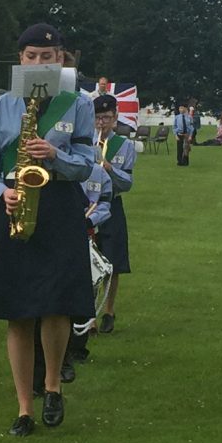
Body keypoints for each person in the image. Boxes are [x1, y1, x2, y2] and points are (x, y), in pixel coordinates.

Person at [0, 22, 95, 436]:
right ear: (20, 60)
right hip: (14, 204)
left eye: (48, 56)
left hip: (59, 203)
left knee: (57, 303)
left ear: (60, 58)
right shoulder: (1, 106)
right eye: (31, 56)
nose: (40, 62)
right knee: (18, 311)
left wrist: (55, 155)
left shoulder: (77, 103)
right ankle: (24, 407)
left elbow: (86, 164)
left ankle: (53, 384)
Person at [92, 93, 135, 334]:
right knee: (89, 260)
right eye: (98, 118)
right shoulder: (85, 142)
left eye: (107, 118)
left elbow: (127, 183)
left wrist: (110, 169)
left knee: (113, 262)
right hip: (89, 204)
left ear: (115, 118)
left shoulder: (124, 146)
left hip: (112, 204)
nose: (102, 123)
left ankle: (109, 310)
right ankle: (90, 315)